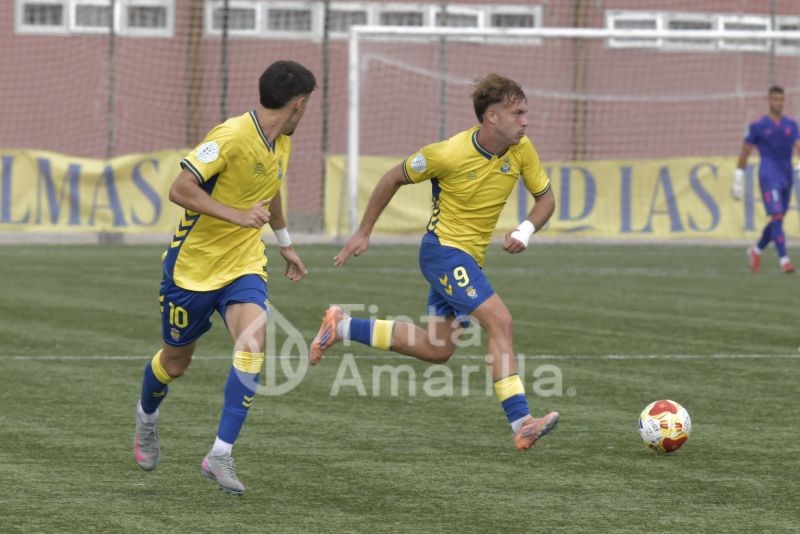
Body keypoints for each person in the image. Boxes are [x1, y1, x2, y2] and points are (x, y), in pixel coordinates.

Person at [311, 74, 559, 451]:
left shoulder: (522, 151)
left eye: (526, 112)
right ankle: (522, 422)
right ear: (492, 117)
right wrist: (364, 231)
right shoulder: (447, 153)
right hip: (443, 252)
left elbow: (546, 200)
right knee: (500, 321)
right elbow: (393, 177)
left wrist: (525, 230)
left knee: (437, 350)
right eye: (518, 113)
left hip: (468, 258)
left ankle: (341, 327)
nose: (526, 120)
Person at [133, 60, 316, 495]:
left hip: (244, 266)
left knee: (254, 343)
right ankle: (146, 417)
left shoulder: (282, 142)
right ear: (298, 104)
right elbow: (180, 188)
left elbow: (269, 190)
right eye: (307, 105)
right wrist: (236, 215)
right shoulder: (231, 136)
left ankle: (219, 454)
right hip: (192, 270)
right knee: (176, 363)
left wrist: (284, 242)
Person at [732, 85, 799, 274]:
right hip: (768, 175)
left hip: (786, 175)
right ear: (769, 101)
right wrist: (738, 175)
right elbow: (745, 150)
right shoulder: (758, 126)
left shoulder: (791, 125)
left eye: (781, 99)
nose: (778, 103)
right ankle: (784, 259)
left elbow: (798, 145)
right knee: (776, 216)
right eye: (775, 99)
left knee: (778, 220)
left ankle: (756, 250)